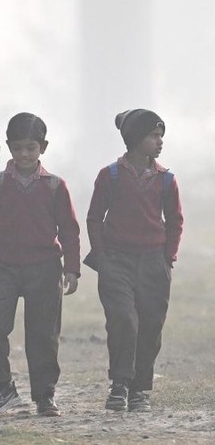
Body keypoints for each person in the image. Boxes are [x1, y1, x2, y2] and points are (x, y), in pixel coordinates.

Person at [0, 112, 80, 417]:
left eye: (31, 147)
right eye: (17, 148)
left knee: (43, 334)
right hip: (2, 266)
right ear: (8, 147)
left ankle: (45, 396)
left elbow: (69, 230)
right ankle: (5, 388)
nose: (24, 154)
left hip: (44, 267)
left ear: (43, 147)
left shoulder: (55, 186)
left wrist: (71, 268)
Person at [85, 109, 183, 413]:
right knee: (123, 320)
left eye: (161, 136)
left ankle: (140, 389)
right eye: (153, 136)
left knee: (151, 325)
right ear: (135, 138)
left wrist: (168, 257)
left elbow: (175, 221)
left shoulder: (166, 179)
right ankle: (119, 384)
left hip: (154, 263)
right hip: (116, 261)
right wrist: (101, 256)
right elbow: (94, 218)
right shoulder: (110, 176)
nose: (160, 141)